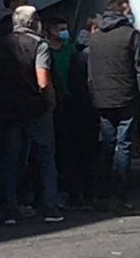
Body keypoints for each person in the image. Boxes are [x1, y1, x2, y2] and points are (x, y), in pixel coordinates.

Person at [0, 5, 64, 225]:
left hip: (9, 109)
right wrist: (51, 101)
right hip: (35, 108)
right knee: (46, 159)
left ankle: (12, 210)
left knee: (11, 160)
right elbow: (43, 80)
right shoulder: (39, 44)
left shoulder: (1, 44)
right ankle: (50, 208)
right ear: (33, 22)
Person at [87, 0, 140, 211]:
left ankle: (101, 194)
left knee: (106, 145)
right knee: (123, 146)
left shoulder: (94, 39)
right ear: (122, 11)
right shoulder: (131, 35)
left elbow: (90, 74)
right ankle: (120, 195)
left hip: (102, 99)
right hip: (126, 98)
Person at [43, 16, 97, 211]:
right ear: (50, 30)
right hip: (56, 104)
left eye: (65, 28)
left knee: (75, 149)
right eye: (60, 29)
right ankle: (62, 190)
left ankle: (76, 190)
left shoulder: (72, 50)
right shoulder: (46, 51)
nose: (63, 32)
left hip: (75, 104)